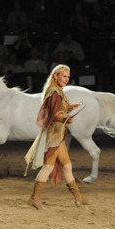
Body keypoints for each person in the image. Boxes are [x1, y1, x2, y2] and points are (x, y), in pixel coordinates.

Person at [23, 64, 90, 209]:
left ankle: (78, 197)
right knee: (48, 167)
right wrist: (65, 118)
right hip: (53, 136)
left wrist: (70, 107)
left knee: (67, 165)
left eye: (68, 77)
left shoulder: (57, 91)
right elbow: (54, 115)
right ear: (56, 76)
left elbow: (59, 109)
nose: (66, 79)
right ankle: (34, 198)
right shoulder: (54, 92)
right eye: (64, 76)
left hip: (57, 136)